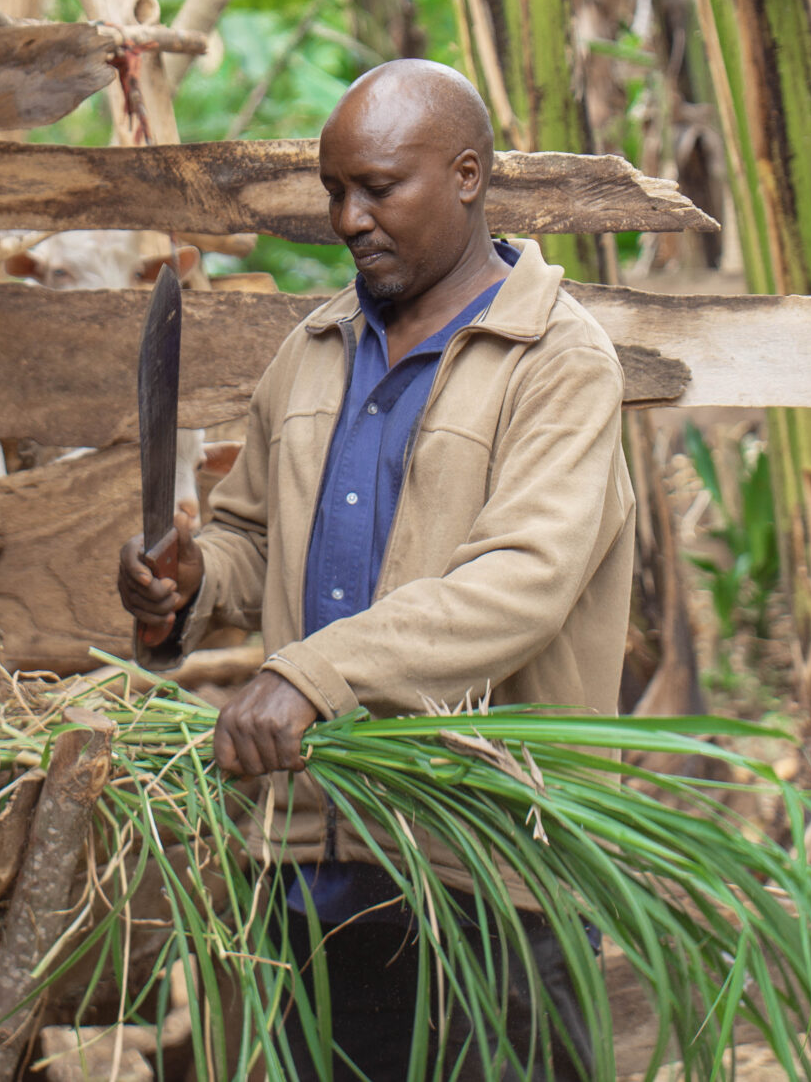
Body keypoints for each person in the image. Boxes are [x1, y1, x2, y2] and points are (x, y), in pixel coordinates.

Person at [116, 58, 635, 1080]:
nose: (350, 216)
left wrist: (312, 673)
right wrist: (191, 581)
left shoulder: (558, 362)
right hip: (314, 851)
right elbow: (252, 537)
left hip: (486, 859)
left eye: (380, 187)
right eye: (334, 189)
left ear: (467, 175)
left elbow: (520, 579)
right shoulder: (312, 351)